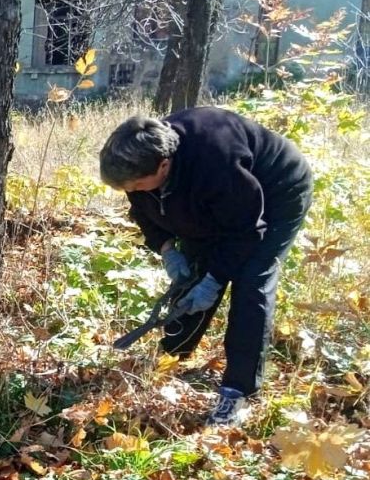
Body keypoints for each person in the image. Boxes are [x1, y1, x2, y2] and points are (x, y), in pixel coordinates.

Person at [100, 107, 312, 426]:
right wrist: (168, 248)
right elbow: (144, 208)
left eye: (137, 185)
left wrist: (214, 281)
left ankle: (237, 390)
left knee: (252, 281)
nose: (132, 192)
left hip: (276, 193)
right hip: (218, 205)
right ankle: (173, 354)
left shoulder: (216, 158)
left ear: (164, 165)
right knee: (192, 276)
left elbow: (246, 232)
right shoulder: (139, 161)